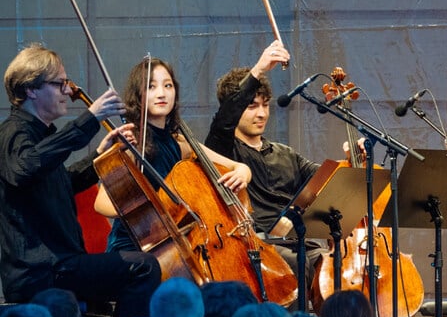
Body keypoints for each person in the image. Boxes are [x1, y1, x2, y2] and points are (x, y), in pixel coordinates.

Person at [0, 43, 160, 317]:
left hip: (59, 265)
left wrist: (102, 155)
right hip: (42, 270)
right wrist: (90, 118)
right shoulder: (13, 133)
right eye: (59, 84)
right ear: (31, 90)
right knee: (143, 267)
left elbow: (64, 183)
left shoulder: (40, 136)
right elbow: (26, 167)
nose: (67, 91)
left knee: (140, 267)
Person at [92, 58, 251, 255]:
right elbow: (102, 204)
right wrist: (151, 207)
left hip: (172, 245)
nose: (162, 93)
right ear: (138, 96)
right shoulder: (131, 143)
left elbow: (237, 167)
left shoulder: (180, 142)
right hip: (135, 248)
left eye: (168, 86)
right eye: (151, 87)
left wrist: (243, 172)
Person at [203, 42, 320, 275]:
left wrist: (353, 157)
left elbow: (323, 179)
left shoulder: (285, 154)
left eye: (265, 105)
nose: (262, 114)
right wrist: (258, 71)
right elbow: (224, 120)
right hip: (253, 247)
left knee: (328, 262)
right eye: (252, 106)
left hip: (295, 243)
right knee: (297, 263)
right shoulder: (222, 150)